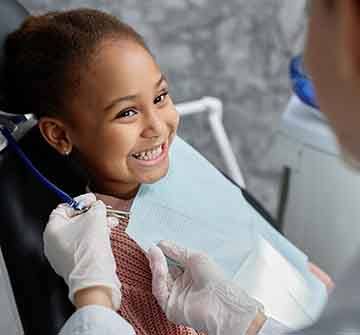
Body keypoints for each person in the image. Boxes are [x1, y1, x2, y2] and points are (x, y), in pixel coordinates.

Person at [3, 6, 330, 335]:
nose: (159, 127)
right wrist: (95, 295)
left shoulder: (177, 161)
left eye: (160, 96)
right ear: (59, 135)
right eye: (127, 112)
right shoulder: (111, 253)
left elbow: (248, 226)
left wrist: (300, 271)